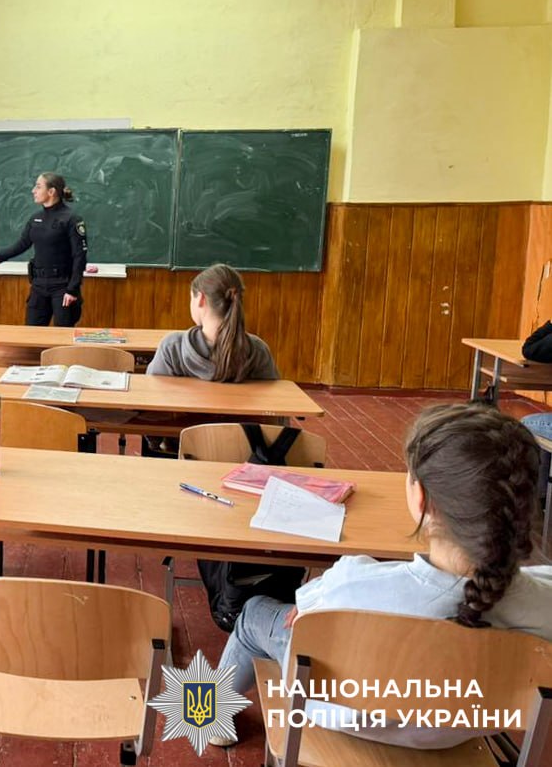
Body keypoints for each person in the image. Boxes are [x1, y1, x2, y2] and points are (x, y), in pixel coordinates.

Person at [212, 402, 552, 749]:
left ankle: (207, 717)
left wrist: (314, 602)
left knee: (253, 612)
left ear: (421, 498)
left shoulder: (353, 582)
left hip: (342, 715)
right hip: (453, 733)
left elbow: (305, 620)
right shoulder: (545, 604)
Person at [0, 172, 87, 327]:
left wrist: (72, 290)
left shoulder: (71, 219)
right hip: (39, 285)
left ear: (51, 192)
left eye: (38, 187)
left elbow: (80, 256)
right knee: (32, 333)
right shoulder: (36, 218)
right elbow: (23, 243)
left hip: (63, 286)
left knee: (62, 336)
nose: (33, 191)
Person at [147, 263, 279, 382]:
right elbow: (273, 396)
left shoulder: (173, 348)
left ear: (201, 299)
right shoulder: (259, 351)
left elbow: (151, 392)